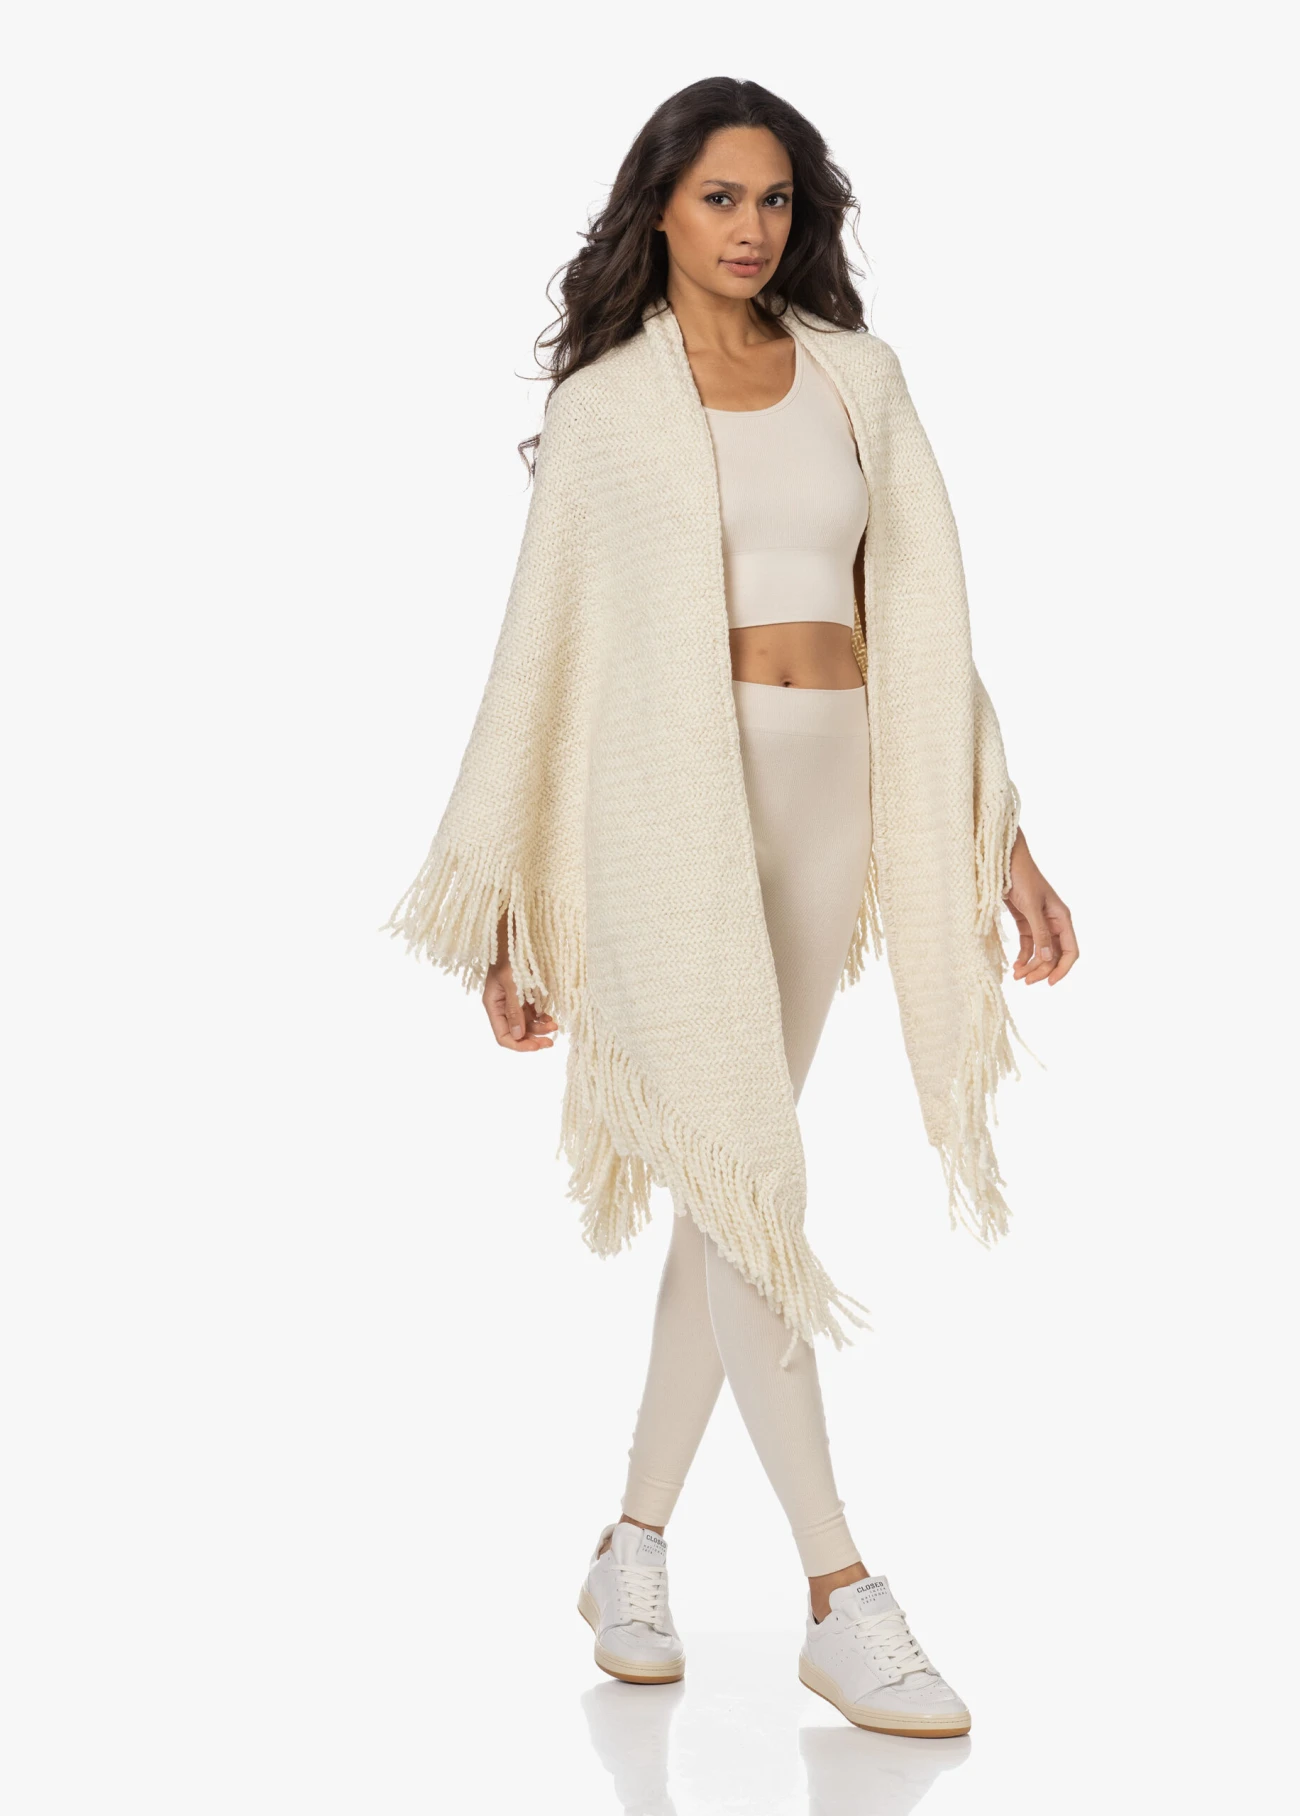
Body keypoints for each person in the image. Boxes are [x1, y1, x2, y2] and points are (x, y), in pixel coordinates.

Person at [386, 76, 1078, 1741]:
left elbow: (925, 620)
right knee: (746, 1172)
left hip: (837, 789)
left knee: (727, 1181)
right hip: (667, 826)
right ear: (661, 209)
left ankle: (630, 1545)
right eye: (721, 199)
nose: (752, 228)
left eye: (775, 200)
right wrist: (514, 913)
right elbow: (546, 656)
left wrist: (1002, 840)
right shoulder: (610, 410)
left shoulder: (858, 380)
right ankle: (844, 1592)